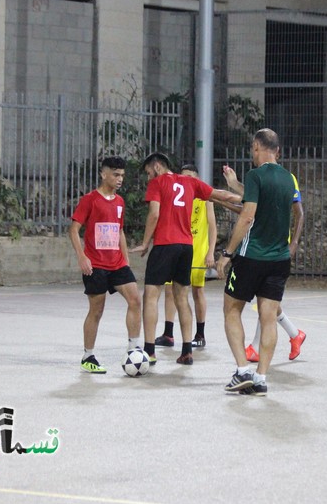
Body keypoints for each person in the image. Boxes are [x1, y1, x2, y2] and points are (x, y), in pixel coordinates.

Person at [134, 152, 239, 366]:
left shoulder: (158, 183)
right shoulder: (190, 182)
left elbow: (154, 214)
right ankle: (186, 351)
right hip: (186, 247)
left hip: (164, 244)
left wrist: (145, 243)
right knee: (182, 297)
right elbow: (222, 195)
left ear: (157, 166)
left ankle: (149, 351)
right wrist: (250, 199)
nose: (148, 178)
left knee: (151, 297)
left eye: (148, 173)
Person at [216, 128, 297, 396]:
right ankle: (261, 377)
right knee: (268, 319)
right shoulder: (288, 179)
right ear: (278, 151)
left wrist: (227, 253)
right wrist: (236, 184)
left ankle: (242, 371)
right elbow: (262, 197)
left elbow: (248, 215)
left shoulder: (256, 175)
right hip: (280, 259)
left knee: (231, 310)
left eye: (253, 150)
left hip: (252, 258)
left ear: (257, 147)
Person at [220, 163, 306, 363]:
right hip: (267, 251)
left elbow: (299, 213)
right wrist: (232, 186)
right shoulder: (263, 180)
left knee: (262, 306)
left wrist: (293, 243)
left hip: (272, 251)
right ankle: (293, 335)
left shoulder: (287, 178)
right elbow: (253, 199)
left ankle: (278, 342)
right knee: (267, 305)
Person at [69, 156, 142, 374]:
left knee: (136, 300)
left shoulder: (119, 202)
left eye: (122, 175)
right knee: (96, 310)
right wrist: (82, 257)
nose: (120, 179)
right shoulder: (89, 200)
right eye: (116, 175)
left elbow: (119, 230)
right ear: (104, 174)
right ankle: (88, 355)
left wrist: (126, 259)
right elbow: (73, 230)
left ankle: (133, 349)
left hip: (117, 264)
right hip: (96, 265)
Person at [154, 164, 218, 349]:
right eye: (183, 177)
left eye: (190, 177)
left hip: (197, 250)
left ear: (197, 179)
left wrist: (211, 251)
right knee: (169, 290)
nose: (186, 180)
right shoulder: (175, 196)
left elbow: (212, 226)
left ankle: (200, 333)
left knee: (197, 291)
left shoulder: (205, 198)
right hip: (177, 249)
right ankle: (168, 333)